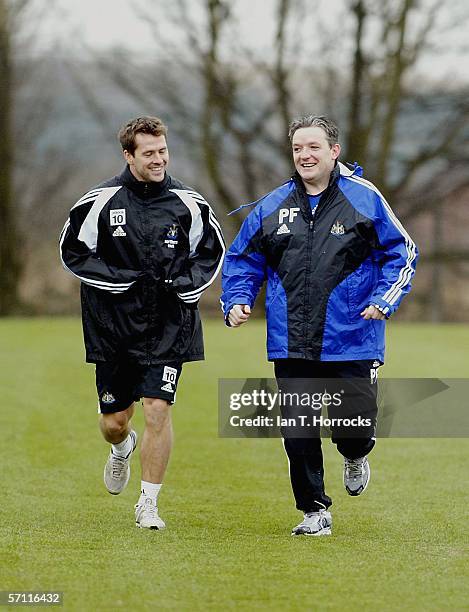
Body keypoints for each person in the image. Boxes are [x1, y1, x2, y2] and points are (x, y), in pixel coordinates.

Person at [221, 115, 418, 536]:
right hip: (290, 341)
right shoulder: (273, 205)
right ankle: (314, 511)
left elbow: (402, 252)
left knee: (353, 429)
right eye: (297, 149)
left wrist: (385, 299)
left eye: (313, 147)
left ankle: (356, 453)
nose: (304, 155)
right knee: (299, 432)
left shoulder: (364, 199)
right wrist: (237, 299)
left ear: (334, 151)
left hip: (353, 338)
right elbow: (242, 259)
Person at [60, 116, 225, 530]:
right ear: (128, 155)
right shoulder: (99, 201)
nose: (158, 159)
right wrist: (118, 283)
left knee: (157, 409)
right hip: (112, 327)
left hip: (169, 325)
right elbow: (73, 253)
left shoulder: (189, 203)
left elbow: (212, 252)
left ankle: (148, 504)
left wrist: (187, 288)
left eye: (163, 151)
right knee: (115, 422)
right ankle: (121, 449)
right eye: (149, 153)